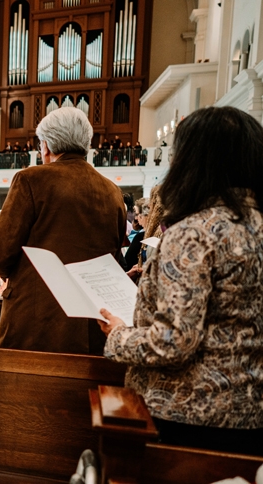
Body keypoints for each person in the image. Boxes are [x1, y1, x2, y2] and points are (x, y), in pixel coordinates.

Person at [99, 106, 263, 456]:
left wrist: (118, 335)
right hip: (253, 414)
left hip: (191, 415)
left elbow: (171, 343)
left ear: (194, 162)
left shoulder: (194, 233)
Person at [0, 107, 126, 355]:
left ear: (47, 146)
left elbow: (1, 251)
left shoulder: (31, 179)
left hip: (36, 320)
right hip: (93, 322)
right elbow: (114, 254)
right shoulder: (112, 192)